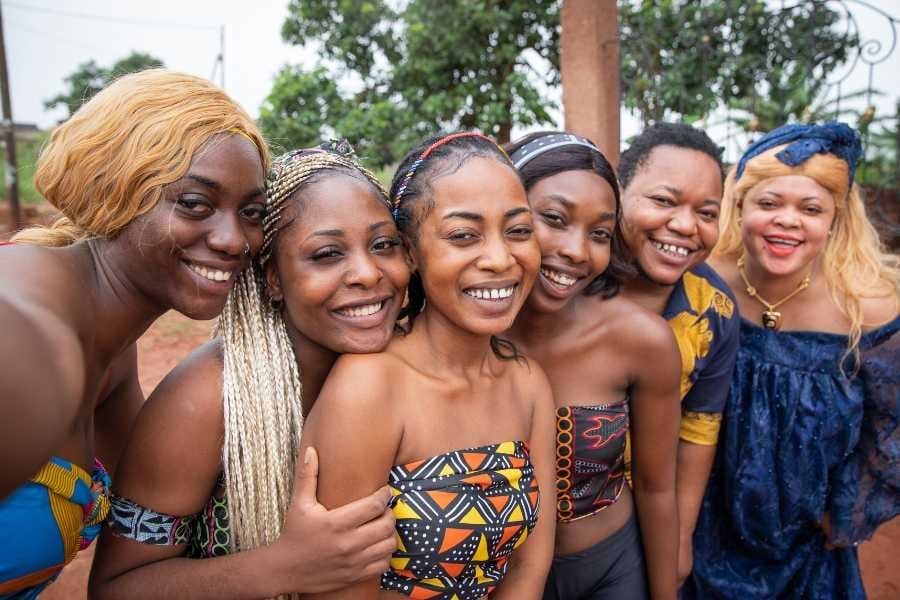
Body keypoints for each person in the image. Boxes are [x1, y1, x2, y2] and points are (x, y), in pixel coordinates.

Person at [89, 142, 409, 599]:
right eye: (326, 254)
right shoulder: (208, 398)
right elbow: (116, 589)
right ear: (273, 278)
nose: (366, 272)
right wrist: (284, 567)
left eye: (383, 245)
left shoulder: (416, 371)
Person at [0, 69, 269, 598]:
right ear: (114, 191)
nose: (234, 239)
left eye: (253, 212)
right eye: (195, 203)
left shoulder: (110, 350)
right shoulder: (30, 337)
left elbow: (156, 504)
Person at [300, 131, 557, 600]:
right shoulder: (370, 387)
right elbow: (337, 590)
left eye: (518, 231)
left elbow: (529, 567)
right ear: (411, 252)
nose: (501, 258)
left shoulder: (528, 381)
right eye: (463, 235)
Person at [684, 122, 899, 599]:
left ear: (835, 220)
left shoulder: (869, 307)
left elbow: (892, 424)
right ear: (738, 207)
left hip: (807, 548)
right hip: (701, 529)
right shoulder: (700, 284)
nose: (788, 220)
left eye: (811, 209)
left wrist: (840, 510)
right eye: (769, 203)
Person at [503, 132, 682, 600]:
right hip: (497, 580)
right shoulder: (460, 337)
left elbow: (657, 487)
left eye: (599, 233)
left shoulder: (641, 340)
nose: (577, 251)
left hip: (611, 572)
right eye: (554, 219)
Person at [616, 123, 740, 583]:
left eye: (706, 213)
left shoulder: (715, 310)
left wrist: (680, 536)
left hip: (641, 513)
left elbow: (698, 429)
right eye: (664, 201)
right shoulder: (571, 280)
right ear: (618, 192)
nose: (686, 226)